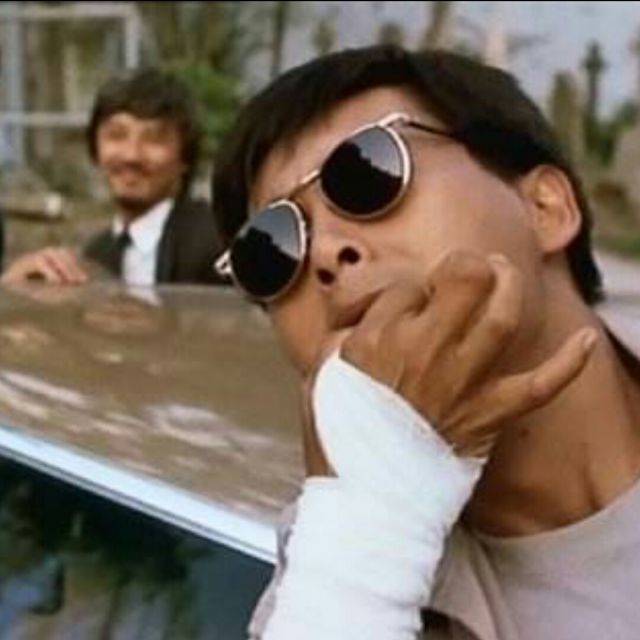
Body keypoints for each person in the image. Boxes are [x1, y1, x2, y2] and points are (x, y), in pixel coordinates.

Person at [211, 44, 640, 639]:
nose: (325, 253)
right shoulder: (327, 576)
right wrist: (369, 523)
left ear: (545, 207)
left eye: (366, 173)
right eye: (270, 249)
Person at [2, 68, 223, 287]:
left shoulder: (218, 245)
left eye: (153, 139)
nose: (131, 155)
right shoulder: (96, 255)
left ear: (185, 156)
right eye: (116, 135)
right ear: (95, 150)